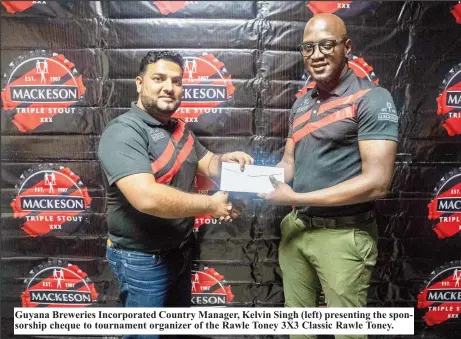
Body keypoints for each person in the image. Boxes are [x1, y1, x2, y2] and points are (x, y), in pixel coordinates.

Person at [259, 14, 398, 339]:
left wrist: (295, 198)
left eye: (326, 45)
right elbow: (288, 165)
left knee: (348, 333)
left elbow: (377, 183)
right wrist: (248, 177)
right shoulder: (303, 103)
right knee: (300, 331)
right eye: (309, 48)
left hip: (343, 237)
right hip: (297, 230)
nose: (317, 55)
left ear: (346, 47)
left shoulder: (372, 99)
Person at [98, 51, 253, 338]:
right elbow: (147, 197)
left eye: (176, 81)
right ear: (139, 83)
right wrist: (211, 204)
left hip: (178, 253)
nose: (169, 87)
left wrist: (228, 161)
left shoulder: (180, 129)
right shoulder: (123, 132)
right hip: (141, 261)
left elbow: (209, 164)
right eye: (159, 79)